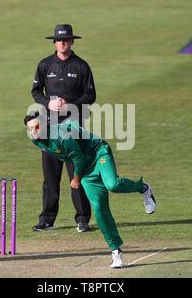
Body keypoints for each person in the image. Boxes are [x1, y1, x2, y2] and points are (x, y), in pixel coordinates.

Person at [24, 113, 156, 268]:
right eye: (30, 128)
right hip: (86, 170)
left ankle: (143, 188)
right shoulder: (36, 140)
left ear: (45, 124)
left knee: (112, 184)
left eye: (37, 127)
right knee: (99, 209)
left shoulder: (62, 136)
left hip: (98, 153)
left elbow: (78, 158)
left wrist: (76, 178)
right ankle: (115, 251)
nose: (34, 131)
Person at [31, 24, 96, 232]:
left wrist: (70, 105)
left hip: (73, 127)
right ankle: (47, 219)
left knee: (77, 174)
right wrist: (46, 103)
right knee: (50, 178)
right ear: (54, 42)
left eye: (66, 39)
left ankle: (83, 219)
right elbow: (35, 90)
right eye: (59, 40)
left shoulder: (81, 66)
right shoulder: (45, 65)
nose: (62, 42)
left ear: (72, 41)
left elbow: (90, 95)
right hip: (49, 129)